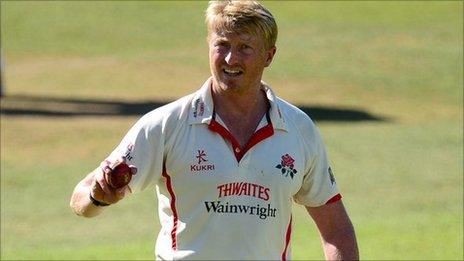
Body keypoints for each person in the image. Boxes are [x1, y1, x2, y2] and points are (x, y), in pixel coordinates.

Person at [70, 1, 359, 260]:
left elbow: (336, 229)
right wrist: (98, 198)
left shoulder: (298, 129)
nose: (230, 59)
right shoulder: (168, 124)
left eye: (245, 47)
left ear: (269, 56)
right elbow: (81, 197)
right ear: (209, 45)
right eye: (222, 44)